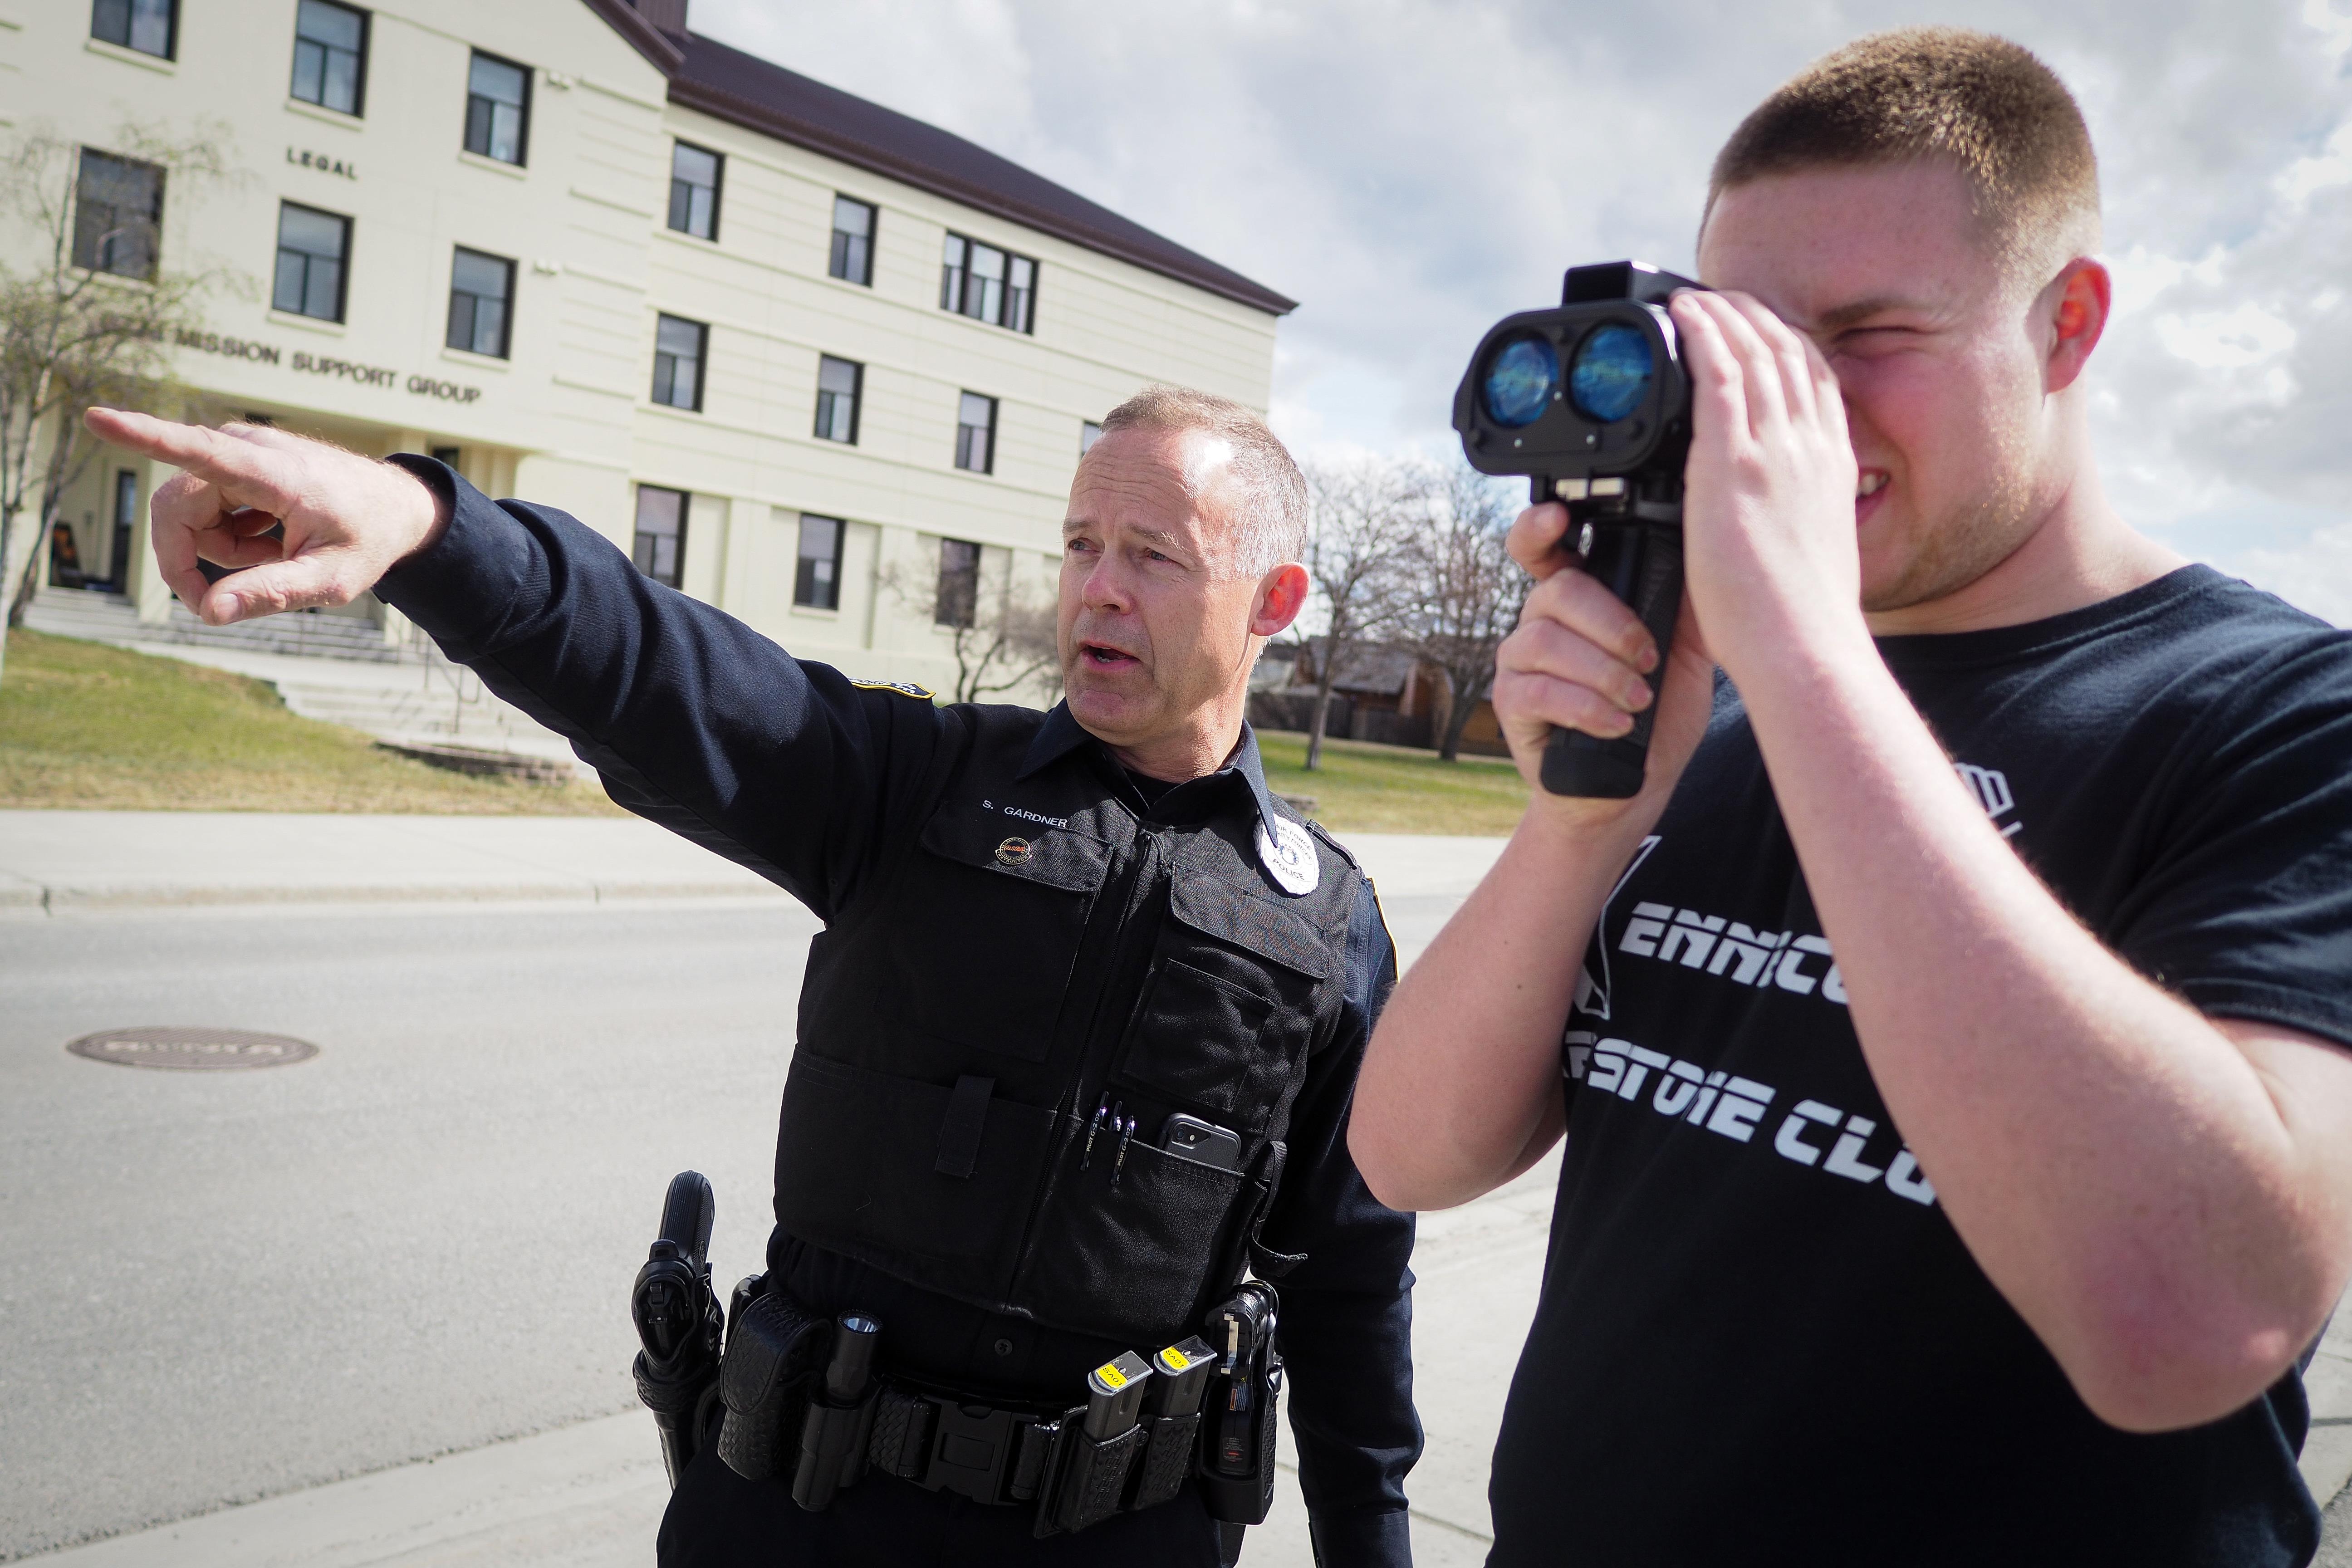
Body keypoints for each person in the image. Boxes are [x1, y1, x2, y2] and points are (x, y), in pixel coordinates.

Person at [86, 386, 1420, 1568]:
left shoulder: (1330, 930)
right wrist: (429, 529)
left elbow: (1353, 1285)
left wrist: (1374, 1550)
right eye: (1080, 544)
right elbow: (665, 673)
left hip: (1121, 1536)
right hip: (802, 1513)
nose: (1097, 590)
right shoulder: (914, 787)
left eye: (1152, 556)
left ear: (1276, 604)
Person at [1351, 26, 2352, 1568]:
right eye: (1744, 355)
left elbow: (2194, 1320)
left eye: (1870, 334)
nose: (1788, 421)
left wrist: (1806, 650)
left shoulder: (2282, 713)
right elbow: (1409, 1157)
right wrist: (1582, 821)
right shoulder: (1727, 692)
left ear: (2068, 324)